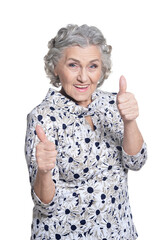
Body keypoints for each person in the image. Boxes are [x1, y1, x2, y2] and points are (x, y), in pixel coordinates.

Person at [25, 24, 147, 240]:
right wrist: (44, 172)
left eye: (92, 66)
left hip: (119, 233)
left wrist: (130, 121)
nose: (83, 77)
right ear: (55, 67)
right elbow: (45, 204)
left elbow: (136, 162)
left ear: (102, 69)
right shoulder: (42, 117)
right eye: (73, 65)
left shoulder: (113, 103)